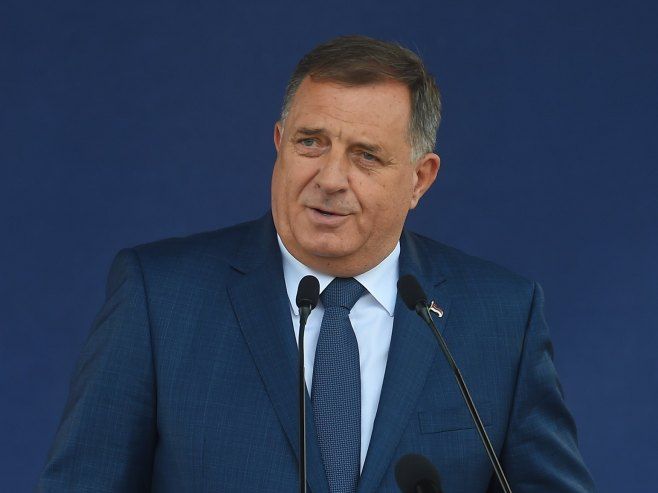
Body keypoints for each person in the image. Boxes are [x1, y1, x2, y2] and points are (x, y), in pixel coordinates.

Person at [37, 35, 594, 492]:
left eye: (365, 155)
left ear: (419, 179)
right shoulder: (160, 298)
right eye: (311, 143)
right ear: (279, 143)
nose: (330, 178)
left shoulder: (501, 318)